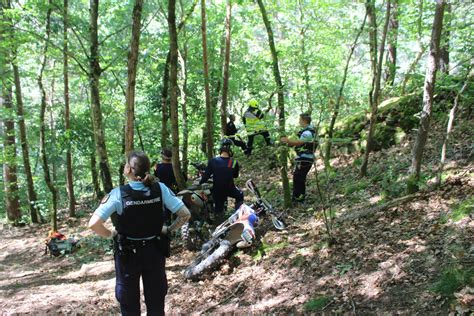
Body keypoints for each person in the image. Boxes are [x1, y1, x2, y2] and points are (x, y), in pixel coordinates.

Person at [88, 151, 191, 316]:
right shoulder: (160, 189)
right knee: (156, 303)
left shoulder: (118, 194)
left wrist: (112, 235)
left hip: (128, 255)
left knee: (128, 304)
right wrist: (169, 229)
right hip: (154, 252)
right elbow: (185, 214)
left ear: (128, 169)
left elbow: (93, 224)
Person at [199, 138, 244, 222]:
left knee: (218, 210)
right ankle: (238, 216)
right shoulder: (233, 162)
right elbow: (235, 175)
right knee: (240, 195)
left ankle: (218, 223)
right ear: (230, 149)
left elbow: (206, 176)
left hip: (217, 190)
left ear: (220, 149)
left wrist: (199, 183)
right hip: (230, 189)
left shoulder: (213, 161)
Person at [280, 113, 317, 203]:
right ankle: (297, 198)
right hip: (303, 158)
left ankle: (299, 199)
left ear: (304, 121)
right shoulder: (307, 131)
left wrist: (288, 141)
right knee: (297, 178)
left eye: (300, 120)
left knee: (299, 178)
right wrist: (288, 143)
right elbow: (297, 144)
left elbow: (299, 143)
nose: (299, 122)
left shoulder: (308, 133)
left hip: (305, 159)